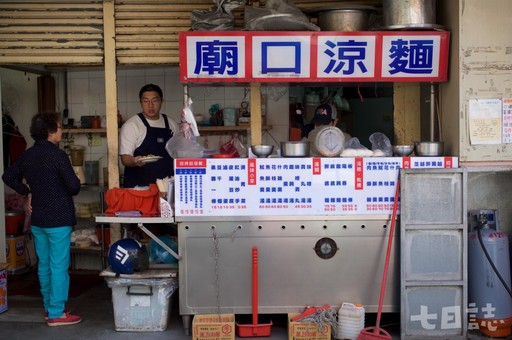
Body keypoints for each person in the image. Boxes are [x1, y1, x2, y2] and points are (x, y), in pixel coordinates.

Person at [2, 111, 82, 327]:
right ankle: (56, 313)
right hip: (59, 219)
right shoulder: (58, 156)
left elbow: (7, 176)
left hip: (38, 219)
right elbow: (74, 187)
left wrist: (27, 191)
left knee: (44, 265)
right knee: (58, 266)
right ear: (50, 130)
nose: (62, 130)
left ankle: (50, 307)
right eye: (59, 126)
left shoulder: (28, 155)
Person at [119, 83, 179, 188]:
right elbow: (125, 158)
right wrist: (134, 161)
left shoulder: (171, 124)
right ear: (141, 102)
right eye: (146, 101)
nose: (150, 105)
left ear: (161, 101)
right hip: (139, 190)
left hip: (166, 189)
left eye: (155, 100)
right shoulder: (132, 125)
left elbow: (177, 153)